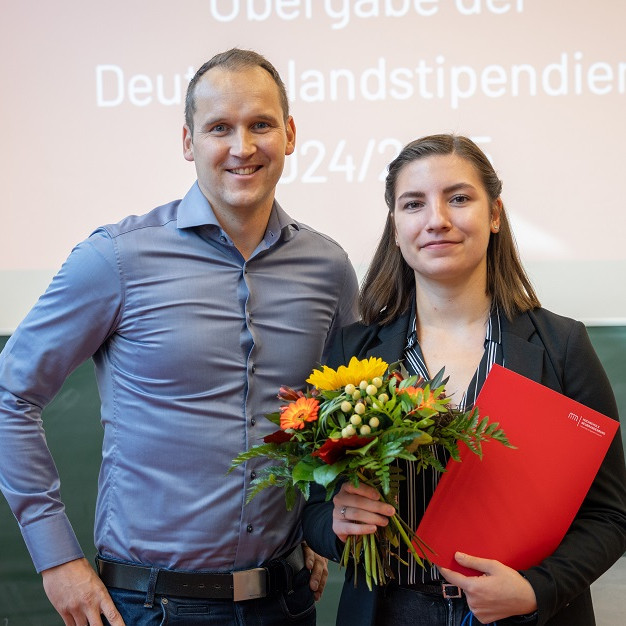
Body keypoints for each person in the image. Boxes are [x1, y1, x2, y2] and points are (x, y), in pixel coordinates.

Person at [0, 48, 359, 626]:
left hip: (287, 602)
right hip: (149, 607)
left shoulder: (329, 267)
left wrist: (319, 523)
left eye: (260, 124)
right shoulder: (115, 258)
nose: (242, 147)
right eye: (220, 128)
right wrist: (56, 559)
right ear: (189, 142)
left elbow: (337, 416)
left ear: (289, 134)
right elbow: (11, 394)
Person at [302, 134, 626, 626]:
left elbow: (610, 516)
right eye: (414, 204)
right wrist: (337, 522)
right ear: (395, 226)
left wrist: (537, 589)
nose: (437, 220)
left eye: (458, 198)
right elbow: (314, 508)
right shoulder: (353, 353)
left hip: (520, 615)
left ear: (494, 215)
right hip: (390, 614)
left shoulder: (562, 347)